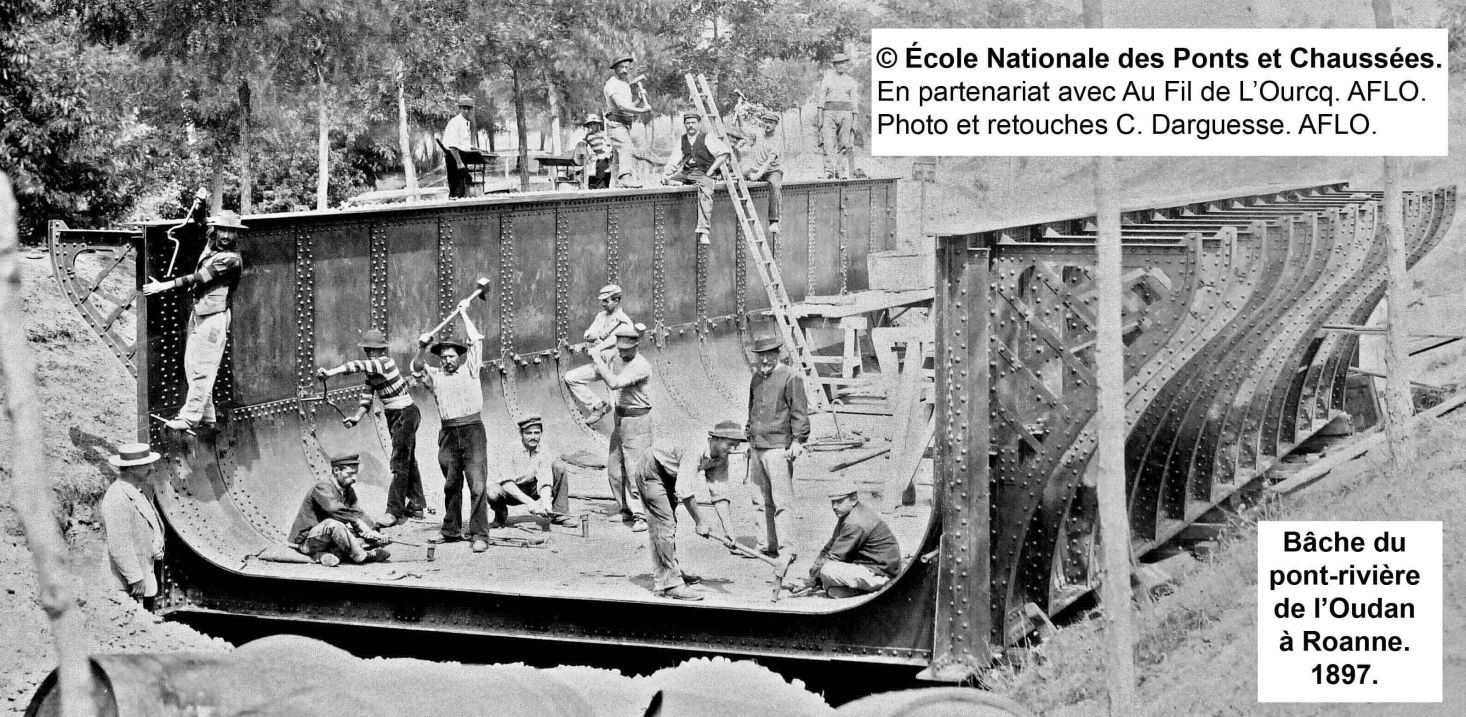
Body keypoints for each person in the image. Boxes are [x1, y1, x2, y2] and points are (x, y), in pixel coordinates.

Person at [143, 211, 246, 432]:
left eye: (231, 231)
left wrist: (164, 286)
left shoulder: (230, 260)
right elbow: (202, 224)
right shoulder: (213, 243)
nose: (226, 235)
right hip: (200, 314)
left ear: (237, 234)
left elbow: (200, 277)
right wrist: (201, 204)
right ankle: (208, 417)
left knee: (203, 368)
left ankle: (190, 417)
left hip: (214, 319)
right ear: (216, 230)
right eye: (222, 230)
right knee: (192, 365)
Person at [317, 328, 424, 528]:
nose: (368, 353)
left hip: (405, 413)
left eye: (369, 350)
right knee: (407, 460)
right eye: (367, 350)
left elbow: (356, 365)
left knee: (399, 463)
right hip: (397, 415)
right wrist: (356, 418)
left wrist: (330, 373)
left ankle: (394, 511)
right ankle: (417, 505)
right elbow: (367, 397)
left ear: (377, 351)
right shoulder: (373, 371)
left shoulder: (384, 363)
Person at [411, 306, 494, 552]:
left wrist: (464, 314)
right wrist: (422, 347)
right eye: (444, 356)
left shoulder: (471, 370)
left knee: (477, 484)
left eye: (451, 356)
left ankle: (479, 534)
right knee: (451, 484)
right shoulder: (435, 376)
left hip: (473, 431)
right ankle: (451, 530)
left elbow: (476, 341)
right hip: (448, 433)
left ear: (459, 356)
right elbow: (416, 368)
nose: (448, 360)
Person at [636, 420, 747, 600]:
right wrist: (700, 521)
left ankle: (671, 571)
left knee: (667, 525)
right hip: (652, 471)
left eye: (736, 445)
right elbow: (684, 490)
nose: (733, 449)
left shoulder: (721, 457)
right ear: (716, 438)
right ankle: (669, 584)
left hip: (671, 474)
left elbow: (719, 494)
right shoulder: (694, 448)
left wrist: (729, 531)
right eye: (730, 444)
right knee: (663, 525)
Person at [745, 335, 809, 557]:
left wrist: (798, 440)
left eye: (769, 355)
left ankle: (787, 549)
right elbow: (752, 409)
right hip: (757, 447)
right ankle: (765, 545)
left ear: (778, 354)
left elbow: (799, 412)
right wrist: (749, 434)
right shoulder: (756, 379)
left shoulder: (791, 378)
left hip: (778, 448)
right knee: (759, 500)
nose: (764, 360)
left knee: (782, 501)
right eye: (761, 355)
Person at [589, 323, 652, 533]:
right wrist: (598, 347)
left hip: (637, 420)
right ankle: (625, 508)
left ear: (636, 347)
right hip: (621, 419)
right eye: (621, 349)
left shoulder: (640, 365)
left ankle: (642, 515)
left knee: (636, 469)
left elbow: (615, 383)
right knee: (615, 468)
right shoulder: (618, 356)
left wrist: (597, 359)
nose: (623, 353)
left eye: (628, 350)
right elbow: (607, 360)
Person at [290, 453, 391, 566]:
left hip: (329, 540)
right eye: (350, 474)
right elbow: (334, 509)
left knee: (361, 537)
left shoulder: (348, 491)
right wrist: (358, 523)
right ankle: (363, 556)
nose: (354, 478)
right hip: (307, 540)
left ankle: (324, 555)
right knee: (334, 524)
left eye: (356, 474)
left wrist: (375, 534)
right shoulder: (322, 486)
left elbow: (358, 513)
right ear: (336, 470)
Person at [803, 482, 901, 598]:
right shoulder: (847, 514)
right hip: (870, 567)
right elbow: (830, 547)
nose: (834, 506)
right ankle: (862, 590)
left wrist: (809, 581)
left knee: (828, 569)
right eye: (832, 502)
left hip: (882, 573)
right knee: (833, 591)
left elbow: (834, 557)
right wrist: (812, 574)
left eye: (839, 501)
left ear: (853, 499)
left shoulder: (855, 521)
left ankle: (881, 587)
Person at [487, 414, 580, 533]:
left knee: (559, 467)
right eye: (528, 433)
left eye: (537, 433)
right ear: (521, 434)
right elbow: (507, 484)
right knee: (492, 492)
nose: (533, 437)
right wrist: (530, 503)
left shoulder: (544, 450)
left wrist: (546, 503)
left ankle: (560, 513)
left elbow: (545, 480)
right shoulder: (509, 450)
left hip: (532, 488)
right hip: (511, 491)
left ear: (541, 433)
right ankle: (501, 514)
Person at [100, 443, 165, 603]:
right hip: (126, 586)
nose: (152, 468)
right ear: (131, 469)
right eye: (146, 465)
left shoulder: (137, 491)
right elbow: (119, 544)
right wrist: (135, 578)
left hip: (140, 583)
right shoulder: (118, 497)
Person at [564, 284, 634, 425]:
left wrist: (604, 347)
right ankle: (597, 406)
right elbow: (588, 334)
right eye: (603, 301)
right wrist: (599, 334)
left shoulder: (625, 322)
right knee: (571, 377)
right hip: (600, 365)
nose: (603, 304)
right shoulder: (601, 317)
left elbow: (624, 344)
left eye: (606, 301)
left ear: (616, 300)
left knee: (616, 404)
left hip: (616, 369)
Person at [661, 113, 732, 245]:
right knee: (666, 180)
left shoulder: (707, 137)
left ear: (699, 124)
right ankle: (675, 181)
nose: (690, 125)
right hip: (688, 172)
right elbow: (674, 160)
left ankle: (704, 230)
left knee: (706, 190)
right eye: (688, 123)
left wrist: (710, 171)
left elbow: (724, 154)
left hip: (703, 172)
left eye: (693, 123)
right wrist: (666, 173)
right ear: (685, 125)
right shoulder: (682, 140)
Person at [603, 55, 652, 188]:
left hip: (624, 125)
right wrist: (643, 110)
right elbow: (622, 107)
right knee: (626, 147)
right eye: (621, 67)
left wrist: (640, 101)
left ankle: (613, 187)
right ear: (615, 68)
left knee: (618, 160)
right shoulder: (611, 84)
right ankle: (625, 178)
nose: (625, 70)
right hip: (616, 125)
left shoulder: (624, 85)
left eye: (627, 68)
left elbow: (629, 106)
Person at [743, 112, 785, 236]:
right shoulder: (759, 135)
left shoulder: (777, 140)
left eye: (770, 122)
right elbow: (744, 131)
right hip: (758, 169)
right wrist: (740, 116)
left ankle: (774, 220)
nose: (767, 125)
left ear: (775, 125)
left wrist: (757, 175)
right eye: (765, 122)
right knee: (741, 172)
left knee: (774, 185)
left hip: (772, 170)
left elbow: (769, 161)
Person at [818, 53, 859, 179]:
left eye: (843, 63)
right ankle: (829, 171)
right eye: (838, 63)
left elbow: (854, 102)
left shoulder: (851, 81)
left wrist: (855, 121)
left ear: (846, 64)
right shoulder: (827, 79)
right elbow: (821, 100)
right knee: (828, 143)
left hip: (846, 114)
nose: (840, 65)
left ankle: (841, 170)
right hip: (829, 113)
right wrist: (820, 118)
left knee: (844, 144)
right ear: (834, 65)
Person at [443, 95, 475, 198]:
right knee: (455, 188)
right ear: (460, 109)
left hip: (461, 157)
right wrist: (459, 162)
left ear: (471, 110)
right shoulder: (455, 122)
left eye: (468, 108)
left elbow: (463, 143)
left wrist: (471, 148)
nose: (466, 111)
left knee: (463, 187)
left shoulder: (466, 123)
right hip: (454, 157)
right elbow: (453, 146)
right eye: (464, 108)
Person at [574, 114, 614, 189]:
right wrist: (587, 156)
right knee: (600, 174)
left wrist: (608, 152)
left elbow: (611, 145)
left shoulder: (604, 134)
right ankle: (600, 189)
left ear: (598, 124)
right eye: (591, 124)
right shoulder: (588, 136)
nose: (592, 126)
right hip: (598, 159)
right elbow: (582, 146)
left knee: (608, 176)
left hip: (608, 157)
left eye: (594, 123)